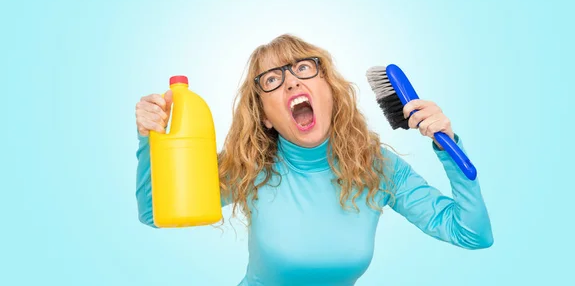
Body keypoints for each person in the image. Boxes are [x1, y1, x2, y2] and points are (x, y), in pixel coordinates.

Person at [134, 34, 493, 285]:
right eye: (272, 79)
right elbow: (155, 214)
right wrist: (148, 141)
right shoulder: (251, 166)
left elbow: (471, 233)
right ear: (264, 117)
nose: (290, 83)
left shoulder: (378, 167)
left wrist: (448, 146)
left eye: (304, 69)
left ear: (331, 92)